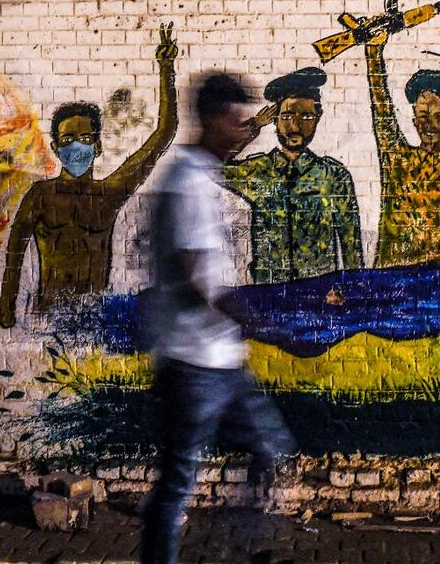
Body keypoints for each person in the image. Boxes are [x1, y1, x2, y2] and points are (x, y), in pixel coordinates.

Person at [141, 73, 296, 564]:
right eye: (236, 122)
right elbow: (193, 278)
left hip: (219, 356)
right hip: (194, 361)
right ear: (211, 120)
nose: (245, 131)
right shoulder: (187, 183)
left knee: (270, 450)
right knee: (181, 478)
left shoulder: (200, 176)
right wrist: (249, 314)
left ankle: (240, 549)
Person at [0, 23, 179, 328]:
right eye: (68, 139)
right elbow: (15, 250)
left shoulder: (109, 194)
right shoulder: (42, 195)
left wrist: (166, 69)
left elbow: (163, 134)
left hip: (97, 315)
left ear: (97, 145)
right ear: (55, 147)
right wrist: (7, 301)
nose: (76, 145)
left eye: (84, 137)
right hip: (49, 317)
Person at [223, 67, 363, 283]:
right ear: (275, 120)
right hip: (269, 292)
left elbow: (351, 244)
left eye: (306, 116)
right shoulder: (259, 170)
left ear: (318, 118)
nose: (295, 125)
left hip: (320, 293)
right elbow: (214, 166)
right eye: (287, 116)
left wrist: (353, 291)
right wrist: (254, 125)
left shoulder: (333, 176)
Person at [364, 30, 440, 267]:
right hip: (389, 280)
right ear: (413, 119)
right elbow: (381, 108)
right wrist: (373, 52)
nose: (430, 124)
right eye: (423, 115)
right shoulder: (397, 158)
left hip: (437, 284)